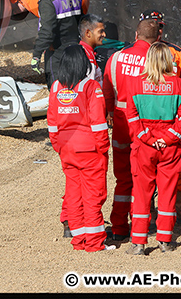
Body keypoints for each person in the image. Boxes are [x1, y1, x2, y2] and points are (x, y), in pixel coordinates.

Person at [125, 42, 181, 255]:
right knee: (167, 193)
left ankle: (138, 243)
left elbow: (132, 118)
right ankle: (164, 240)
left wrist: (150, 139)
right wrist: (166, 139)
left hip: (144, 146)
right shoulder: (179, 85)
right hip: (170, 147)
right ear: (168, 61)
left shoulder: (135, 85)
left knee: (142, 194)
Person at [47, 45, 114, 252]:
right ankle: (94, 243)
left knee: (74, 196)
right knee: (93, 196)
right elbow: (98, 123)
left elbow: (52, 123)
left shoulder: (56, 87)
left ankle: (79, 240)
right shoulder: (91, 86)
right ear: (82, 62)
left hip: (67, 150)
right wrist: (103, 147)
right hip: (90, 150)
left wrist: (59, 147)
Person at [140, 10, 181, 225]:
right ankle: (145, 213)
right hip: (143, 121)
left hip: (171, 120)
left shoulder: (175, 52)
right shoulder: (131, 53)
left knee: (180, 163)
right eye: (153, 25)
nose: (158, 29)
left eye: (160, 25)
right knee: (142, 170)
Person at [101, 18, 160, 240]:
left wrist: (110, 113)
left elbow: (107, 90)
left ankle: (118, 226)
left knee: (123, 179)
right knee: (143, 179)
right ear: (157, 40)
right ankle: (140, 225)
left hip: (120, 124)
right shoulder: (154, 60)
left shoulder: (115, 58)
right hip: (146, 125)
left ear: (135, 36)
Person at [30, 0, 83, 87]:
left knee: (56, 90)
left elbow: (46, 32)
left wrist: (36, 56)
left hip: (57, 52)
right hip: (76, 49)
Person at [79, 13, 106, 84]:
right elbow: (89, 88)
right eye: (100, 31)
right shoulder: (86, 56)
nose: (104, 35)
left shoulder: (88, 52)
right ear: (88, 33)